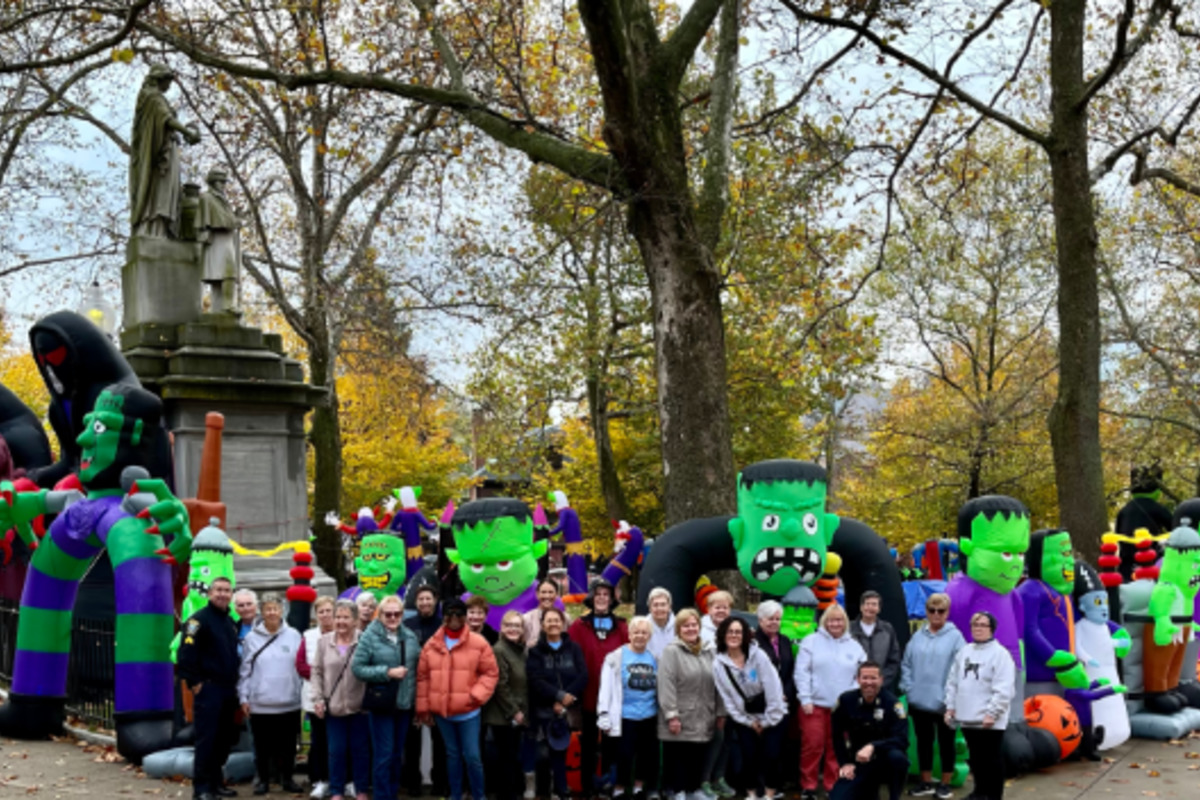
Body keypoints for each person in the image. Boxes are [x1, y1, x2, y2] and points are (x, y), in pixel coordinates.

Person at [418, 597, 500, 800]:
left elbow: (490, 673)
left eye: (458, 614)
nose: (454, 618)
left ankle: (479, 795)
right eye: (449, 614)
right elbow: (423, 677)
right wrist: (423, 708)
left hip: (468, 712)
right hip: (443, 713)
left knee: (472, 757)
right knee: (452, 756)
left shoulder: (479, 642)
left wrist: (476, 696)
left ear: (464, 617)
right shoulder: (431, 644)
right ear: (443, 616)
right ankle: (455, 794)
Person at [178, 576, 240, 800]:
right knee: (206, 740)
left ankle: (216, 784)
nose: (223, 594)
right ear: (210, 593)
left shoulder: (230, 622)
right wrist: (194, 683)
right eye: (218, 590)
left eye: (226, 590)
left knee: (222, 740)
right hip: (208, 688)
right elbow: (185, 653)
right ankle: (202, 788)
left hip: (227, 690)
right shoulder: (197, 621)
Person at [353, 594, 420, 800]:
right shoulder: (369, 636)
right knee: (383, 755)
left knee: (396, 754)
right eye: (388, 614)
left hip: (404, 703)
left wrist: (417, 703)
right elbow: (357, 668)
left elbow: (417, 669)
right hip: (382, 703)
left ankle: (392, 793)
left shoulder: (409, 636)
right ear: (380, 614)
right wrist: (386, 672)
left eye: (397, 613)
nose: (392, 617)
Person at [796, 605, 867, 800]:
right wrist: (805, 698)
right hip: (814, 705)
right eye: (831, 620)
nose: (835, 624)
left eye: (839, 620)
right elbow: (802, 672)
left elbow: (860, 676)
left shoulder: (854, 646)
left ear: (845, 622)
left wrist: (852, 699)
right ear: (824, 621)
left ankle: (832, 785)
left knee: (836, 748)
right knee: (812, 746)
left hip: (842, 708)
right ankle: (808, 786)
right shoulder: (811, 642)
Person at [712, 617, 787, 800]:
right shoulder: (718, 664)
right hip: (745, 718)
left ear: (745, 635)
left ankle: (769, 794)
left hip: (773, 714)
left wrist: (768, 720)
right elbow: (728, 698)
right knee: (749, 757)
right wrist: (748, 722)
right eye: (730, 631)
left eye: (738, 632)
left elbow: (773, 688)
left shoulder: (758, 656)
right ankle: (751, 793)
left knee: (771, 755)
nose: (734, 635)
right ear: (723, 634)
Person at [945, 612, 1016, 800]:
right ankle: (979, 791)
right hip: (967, 717)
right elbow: (953, 681)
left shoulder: (1000, 654)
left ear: (991, 628)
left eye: (983, 625)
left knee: (991, 759)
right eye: (975, 624)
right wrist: (950, 707)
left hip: (989, 720)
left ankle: (993, 794)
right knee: (976, 758)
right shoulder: (965, 652)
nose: (978, 628)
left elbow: (1004, 687)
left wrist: (992, 713)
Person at [238, 593, 304, 796]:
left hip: (289, 701)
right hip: (261, 702)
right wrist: (244, 697)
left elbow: (301, 666)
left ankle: (287, 778)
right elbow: (245, 670)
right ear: (262, 611)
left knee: (288, 745)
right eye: (268, 609)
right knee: (262, 745)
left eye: (275, 608)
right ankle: (263, 780)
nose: (272, 612)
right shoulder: (251, 638)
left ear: (282, 610)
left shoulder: (294, 635)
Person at [900, 594, 965, 799]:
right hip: (919, 699)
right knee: (923, 742)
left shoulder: (956, 638)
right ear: (926, 612)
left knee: (946, 743)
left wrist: (950, 698)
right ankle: (926, 781)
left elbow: (959, 669)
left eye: (941, 611)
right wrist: (909, 688)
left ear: (947, 613)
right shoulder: (917, 636)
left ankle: (945, 784)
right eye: (932, 610)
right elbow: (906, 664)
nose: (936, 615)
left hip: (944, 702)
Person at [570, 578, 629, 797]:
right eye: (598, 594)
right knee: (587, 745)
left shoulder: (622, 626)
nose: (602, 598)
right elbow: (572, 658)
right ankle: (586, 786)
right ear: (592, 598)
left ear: (612, 598)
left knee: (611, 744)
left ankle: (607, 784)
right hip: (587, 695)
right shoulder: (579, 625)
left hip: (615, 698)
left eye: (606, 594)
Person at [129, 63, 201, 238]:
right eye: (169, 81)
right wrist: (187, 132)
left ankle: (158, 229)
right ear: (160, 79)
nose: (170, 86)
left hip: (166, 149)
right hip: (161, 155)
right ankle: (155, 229)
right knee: (160, 190)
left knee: (167, 190)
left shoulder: (149, 97)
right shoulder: (153, 98)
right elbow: (166, 119)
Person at [659, 608, 723, 800]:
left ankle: (693, 790)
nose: (690, 629)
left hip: (704, 715)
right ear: (679, 629)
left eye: (694, 625)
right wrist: (672, 715)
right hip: (681, 715)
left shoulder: (708, 651)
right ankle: (678, 791)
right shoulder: (672, 651)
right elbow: (666, 684)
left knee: (699, 754)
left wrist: (720, 712)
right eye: (686, 625)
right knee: (680, 756)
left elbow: (718, 682)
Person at [527, 607, 588, 800]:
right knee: (542, 756)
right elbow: (536, 680)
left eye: (557, 620)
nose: (553, 624)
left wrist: (566, 698)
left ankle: (562, 792)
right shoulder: (536, 651)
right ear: (543, 625)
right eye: (549, 621)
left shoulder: (574, 648)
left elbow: (583, 675)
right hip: (544, 710)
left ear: (562, 624)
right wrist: (558, 696)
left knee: (560, 755)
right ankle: (543, 792)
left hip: (568, 710)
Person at [597, 616, 661, 800]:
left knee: (645, 755)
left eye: (644, 632)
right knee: (624, 755)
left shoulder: (654, 658)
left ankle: (638, 788)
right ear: (629, 634)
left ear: (649, 636)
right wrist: (604, 714)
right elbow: (605, 690)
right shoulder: (615, 657)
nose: (640, 636)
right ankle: (619, 789)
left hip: (649, 715)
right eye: (636, 632)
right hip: (625, 716)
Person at [312, 600, 369, 800]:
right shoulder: (324, 642)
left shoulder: (364, 640)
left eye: (345, 617)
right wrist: (317, 699)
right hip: (333, 707)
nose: (340, 621)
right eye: (337, 616)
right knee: (336, 751)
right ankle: (336, 790)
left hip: (359, 706)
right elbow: (317, 672)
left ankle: (361, 789)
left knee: (360, 750)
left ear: (354, 620)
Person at [829, 661, 909, 800]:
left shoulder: (892, 703)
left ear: (881, 680)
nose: (869, 682)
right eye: (865, 678)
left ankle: (894, 796)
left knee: (898, 758)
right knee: (838, 798)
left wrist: (873, 746)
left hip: (885, 760)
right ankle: (868, 790)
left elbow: (902, 739)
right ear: (858, 679)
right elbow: (837, 735)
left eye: (873, 678)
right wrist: (845, 763)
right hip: (860, 761)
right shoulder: (846, 700)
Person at [403, 584, 447, 797]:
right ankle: (413, 782)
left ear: (435, 600)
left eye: (428, 599)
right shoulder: (407, 626)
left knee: (440, 741)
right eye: (421, 599)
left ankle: (439, 782)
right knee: (412, 741)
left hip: (438, 690)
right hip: (412, 689)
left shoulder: (443, 626)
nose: (424, 603)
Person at [484, 610, 531, 800]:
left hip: (519, 713)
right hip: (503, 716)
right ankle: (507, 795)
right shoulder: (499, 650)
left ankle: (512, 792)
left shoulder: (519, 650)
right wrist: (514, 712)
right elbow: (500, 685)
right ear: (502, 628)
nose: (513, 629)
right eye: (509, 625)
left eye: (517, 626)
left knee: (513, 757)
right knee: (506, 759)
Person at [297, 596, 335, 799]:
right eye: (321, 611)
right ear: (316, 614)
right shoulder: (309, 635)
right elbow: (300, 664)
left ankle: (341, 780)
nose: (325, 615)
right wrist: (320, 675)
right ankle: (319, 780)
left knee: (338, 741)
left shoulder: (342, 634)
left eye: (329, 611)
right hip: (314, 696)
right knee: (318, 740)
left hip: (338, 696)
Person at [698, 591, 734, 798]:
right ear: (709, 609)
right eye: (717, 607)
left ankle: (719, 777)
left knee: (727, 737)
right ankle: (704, 778)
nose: (721, 610)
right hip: (707, 692)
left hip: (731, 693)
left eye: (725, 607)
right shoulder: (701, 630)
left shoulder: (735, 629)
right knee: (714, 736)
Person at [849, 591, 902, 692]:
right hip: (854, 687)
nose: (870, 608)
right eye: (867, 604)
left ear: (879, 609)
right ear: (861, 607)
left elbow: (894, 659)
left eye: (874, 604)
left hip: (881, 687)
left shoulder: (887, 630)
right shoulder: (849, 630)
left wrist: (880, 681)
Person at [523, 579, 571, 648]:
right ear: (537, 594)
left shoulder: (565, 618)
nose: (547, 596)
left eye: (550, 592)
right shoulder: (527, 619)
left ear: (557, 594)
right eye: (543, 592)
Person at [647, 587, 676, 659]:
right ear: (650, 608)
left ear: (670, 607)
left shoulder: (679, 625)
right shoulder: (643, 626)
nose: (659, 608)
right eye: (655, 605)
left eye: (663, 604)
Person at [234, 588, 258, 655]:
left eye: (249, 604)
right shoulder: (233, 629)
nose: (246, 608)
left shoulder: (267, 625)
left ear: (256, 606)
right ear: (236, 610)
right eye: (241, 605)